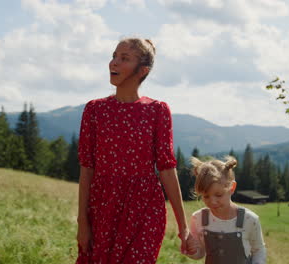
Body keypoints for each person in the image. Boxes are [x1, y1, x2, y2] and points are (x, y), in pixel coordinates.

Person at [76, 37, 195, 263]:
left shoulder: (157, 111)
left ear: (142, 70)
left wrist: (183, 227)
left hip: (145, 210)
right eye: (113, 56)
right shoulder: (95, 110)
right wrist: (83, 221)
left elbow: (167, 170)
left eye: (124, 58)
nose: (113, 63)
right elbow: (87, 169)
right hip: (103, 207)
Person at [185, 156, 267, 264]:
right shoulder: (198, 218)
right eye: (206, 196)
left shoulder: (250, 219)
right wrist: (192, 250)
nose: (212, 202)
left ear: (232, 187)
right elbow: (200, 253)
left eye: (218, 195)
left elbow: (258, 250)